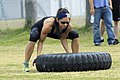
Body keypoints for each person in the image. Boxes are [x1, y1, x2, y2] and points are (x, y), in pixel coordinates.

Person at [23, 8, 80, 72]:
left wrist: (70, 55)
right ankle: (26, 63)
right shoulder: (49, 24)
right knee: (33, 37)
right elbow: (41, 41)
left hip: (55, 31)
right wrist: (38, 57)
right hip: (40, 29)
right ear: (57, 20)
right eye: (63, 22)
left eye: (67, 22)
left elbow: (63, 38)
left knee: (75, 35)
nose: (65, 25)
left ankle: (76, 59)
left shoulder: (68, 27)